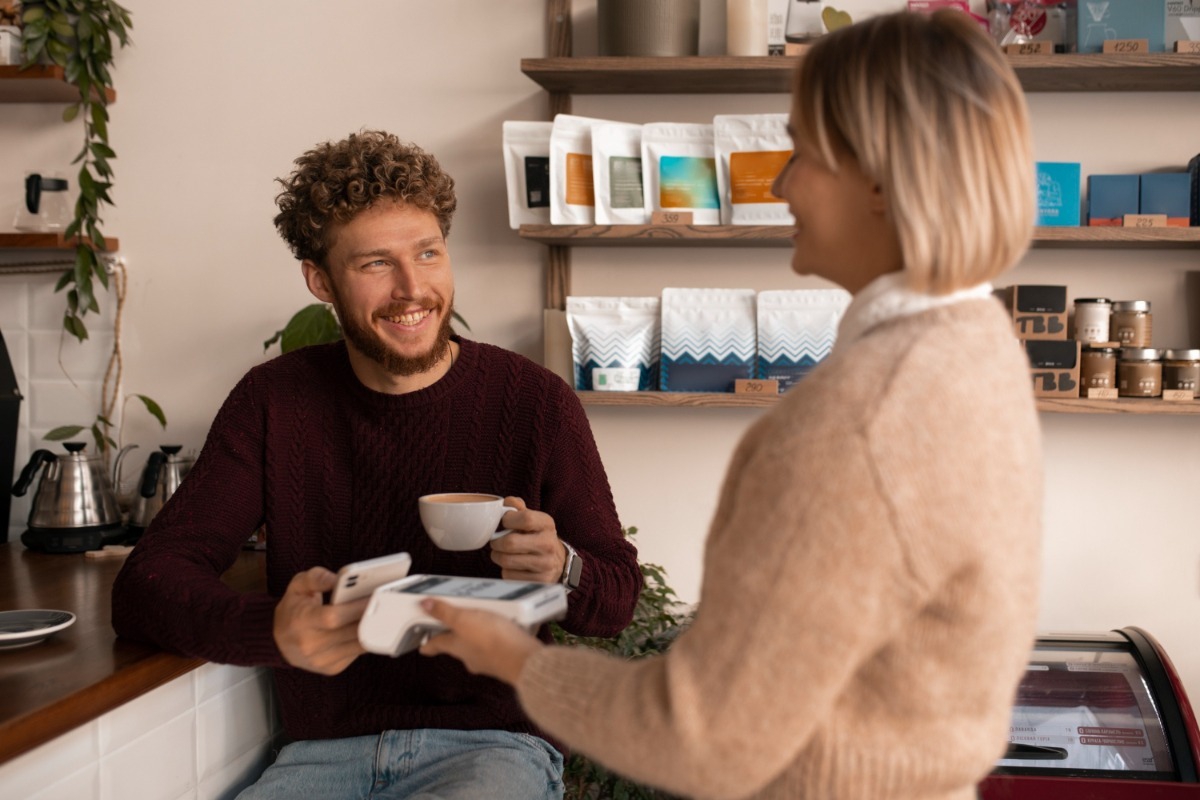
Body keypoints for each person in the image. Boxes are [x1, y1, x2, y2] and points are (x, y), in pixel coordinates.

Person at [418, 11, 1044, 800]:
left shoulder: (857, 421)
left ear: (884, 181)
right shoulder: (981, 344)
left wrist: (512, 657)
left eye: (805, 153)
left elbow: (703, 739)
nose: (780, 184)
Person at [111, 130, 643, 800]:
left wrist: (563, 566)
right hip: (320, 757)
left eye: (428, 253)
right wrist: (270, 629)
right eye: (374, 265)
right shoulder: (275, 401)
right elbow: (146, 584)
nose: (412, 288)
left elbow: (617, 598)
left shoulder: (534, 401)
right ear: (320, 280)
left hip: (495, 747)